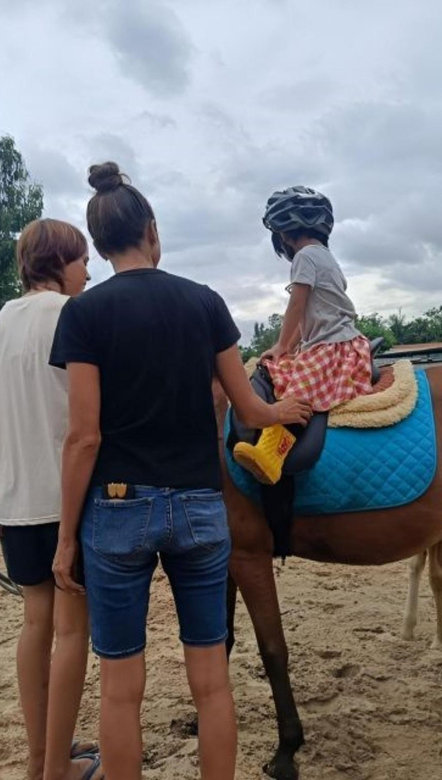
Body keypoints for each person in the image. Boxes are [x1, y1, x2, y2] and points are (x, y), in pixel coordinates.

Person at [50, 162, 312, 780]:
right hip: (198, 504)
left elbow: (84, 436)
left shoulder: (83, 314)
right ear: (153, 230)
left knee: (120, 689)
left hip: (116, 509)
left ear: (100, 245)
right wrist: (286, 408)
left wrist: (65, 539)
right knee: (211, 684)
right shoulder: (205, 302)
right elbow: (248, 407)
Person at [0, 219, 102, 780]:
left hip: (14, 499)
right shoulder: (74, 316)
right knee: (71, 633)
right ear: (59, 261)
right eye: (81, 259)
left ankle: (42, 756)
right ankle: (57, 769)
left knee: (33, 625)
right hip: (68, 499)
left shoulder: (1, 321)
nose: (88, 271)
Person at [233, 185, 372, 485]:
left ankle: (271, 456)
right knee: (283, 368)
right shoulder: (325, 256)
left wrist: (282, 345)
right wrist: (285, 348)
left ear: (283, 234)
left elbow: (296, 305)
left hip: (332, 346)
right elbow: (306, 315)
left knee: (294, 396)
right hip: (339, 341)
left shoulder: (305, 257)